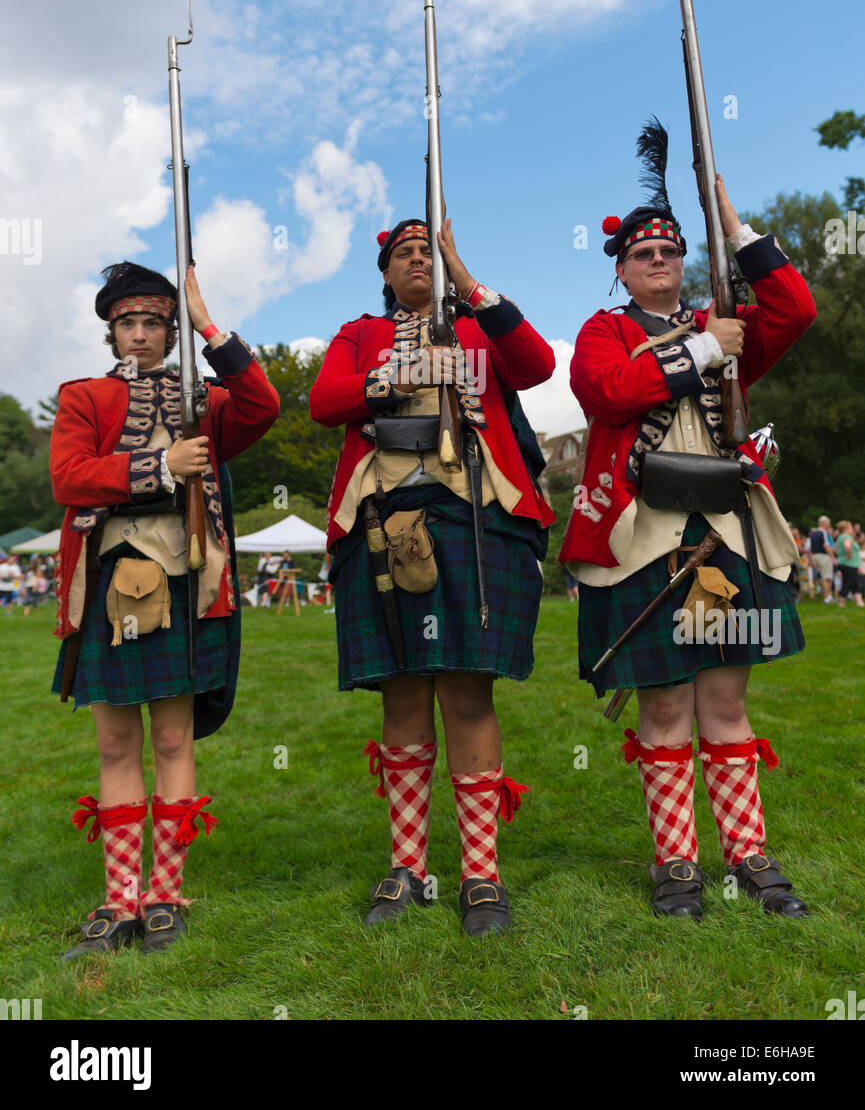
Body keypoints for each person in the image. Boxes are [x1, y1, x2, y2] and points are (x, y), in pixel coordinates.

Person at [560, 119, 816, 921]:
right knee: (664, 707)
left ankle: (746, 855)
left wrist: (735, 229)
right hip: (641, 537)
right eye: (643, 255)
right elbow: (607, 393)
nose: (659, 262)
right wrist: (704, 350)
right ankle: (676, 864)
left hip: (723, 531)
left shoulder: (725, 320)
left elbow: (795, 307)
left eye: (670, 251)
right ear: (623, 272)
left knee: (725, 704)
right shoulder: (605, 333)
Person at [310, 217, 555, 934]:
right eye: (405, 255)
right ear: (385, 273)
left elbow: (536, 364)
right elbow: (326, 401)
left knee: (468, 692)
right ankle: (408, 869)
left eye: (428, 253)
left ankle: (480, 873)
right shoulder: (360, 334)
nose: (418, 261)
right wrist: (398, 376)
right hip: (382, 514)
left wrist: (469, 281)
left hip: (475, 514)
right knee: (402, 694)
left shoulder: (477, 326)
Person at [50, 260, 279, 959]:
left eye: (155, 322)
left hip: (185, 577)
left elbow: (263, 406)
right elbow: (69, 477)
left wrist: (210, 327)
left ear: (170, 332)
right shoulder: (83, 396)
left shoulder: (204, 399)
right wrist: (157, 468)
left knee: (174, 741)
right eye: (129, 323)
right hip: (112, 574)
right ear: (111, 330)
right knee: (117, 742)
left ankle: (167, 897)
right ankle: (121, 899)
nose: (142, 334)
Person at [807, 517, 836, 603]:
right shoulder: (823, 532)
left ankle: (826, 596)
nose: (830, 525)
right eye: (829, 523)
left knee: (822, 577)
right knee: (827, 577)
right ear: (825, 524)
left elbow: (810, 548)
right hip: (823, 556)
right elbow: (826, 546)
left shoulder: (813, 533)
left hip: (815, 556)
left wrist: (812, 560)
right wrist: (833, 558)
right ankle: (827, 598)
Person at [835, 522, 863, 607]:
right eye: (851, 527)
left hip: (847, 564)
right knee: (848, 583)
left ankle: (859, 602)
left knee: (855, 583)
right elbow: (847, 546)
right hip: (849, 564)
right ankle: (841, 603)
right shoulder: (846, 537)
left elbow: (835, 549)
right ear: (846, 529)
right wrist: (849, 555)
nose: (852, 529)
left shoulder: (840, 537)